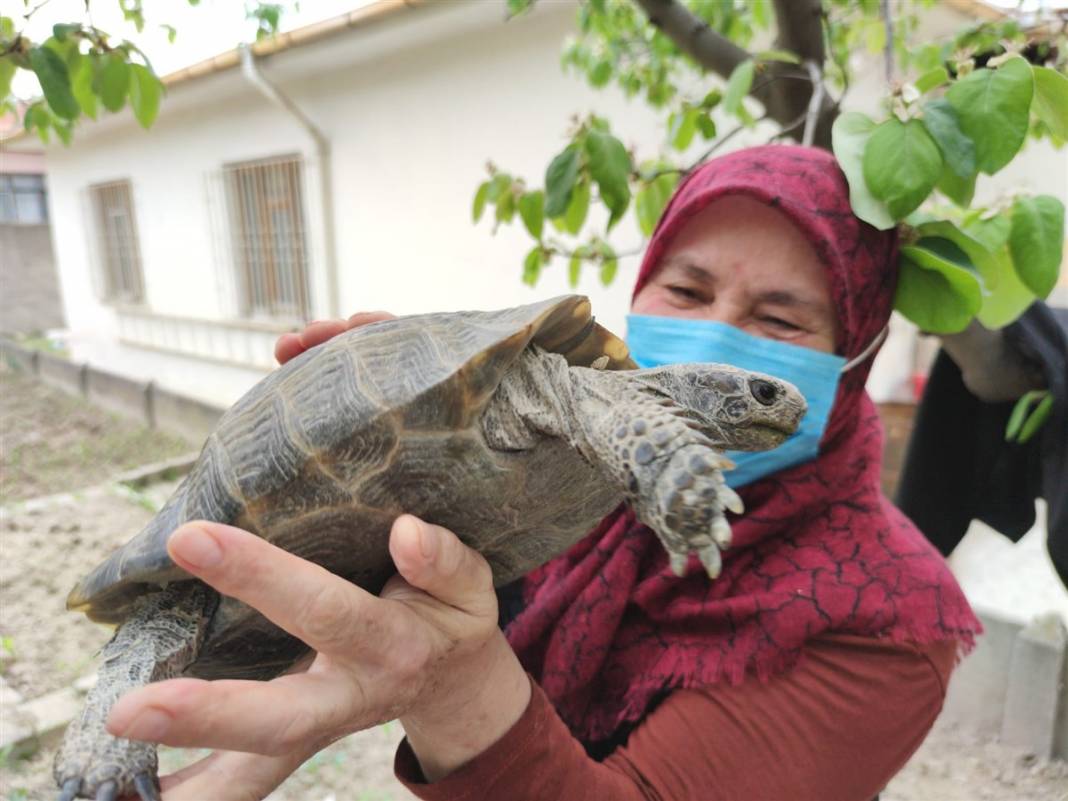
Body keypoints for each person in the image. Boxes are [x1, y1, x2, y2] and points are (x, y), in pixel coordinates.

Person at [106, 146, 981, 801]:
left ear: (857, 349)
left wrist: (445, 682)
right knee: (161, 624)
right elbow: (398, 572)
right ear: (639, 289)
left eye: (780, 319)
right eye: (685, 288)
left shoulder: (887, 624)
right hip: (270, 508)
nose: (716, 330)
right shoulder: (572, 436)